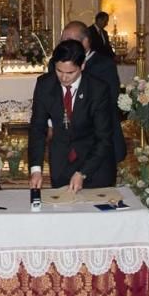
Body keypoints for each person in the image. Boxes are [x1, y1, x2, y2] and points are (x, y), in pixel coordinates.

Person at [28, 40, 113, 192]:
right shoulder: (44, 85)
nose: (64, 78)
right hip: (61, 163)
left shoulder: (98, 89)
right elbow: (37, 129)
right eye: (59, 71)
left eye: (70, 73)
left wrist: (83, 172)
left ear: (82, 66)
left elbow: (103, 138)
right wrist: (36, 170)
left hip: (94, 164)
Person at [60, 20, 127, 167]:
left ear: (85, 42)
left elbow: (110, 100)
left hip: (98, 138)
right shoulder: (58, 63)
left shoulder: (104, 64)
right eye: (63, 41)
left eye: (70, 41)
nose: (65, 45)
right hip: (69, 142)